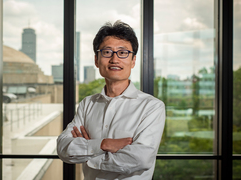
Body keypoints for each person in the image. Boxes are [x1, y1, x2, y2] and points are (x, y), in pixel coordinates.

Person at [57, 20, 165, 180]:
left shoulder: (151, 107)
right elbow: (63, 148)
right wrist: (104, 144)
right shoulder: (87, 104)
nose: (115, 59)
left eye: (123, 53)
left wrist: (88, 153)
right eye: (107, 52)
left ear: (133, 60)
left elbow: (140, 159)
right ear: (96, 60)